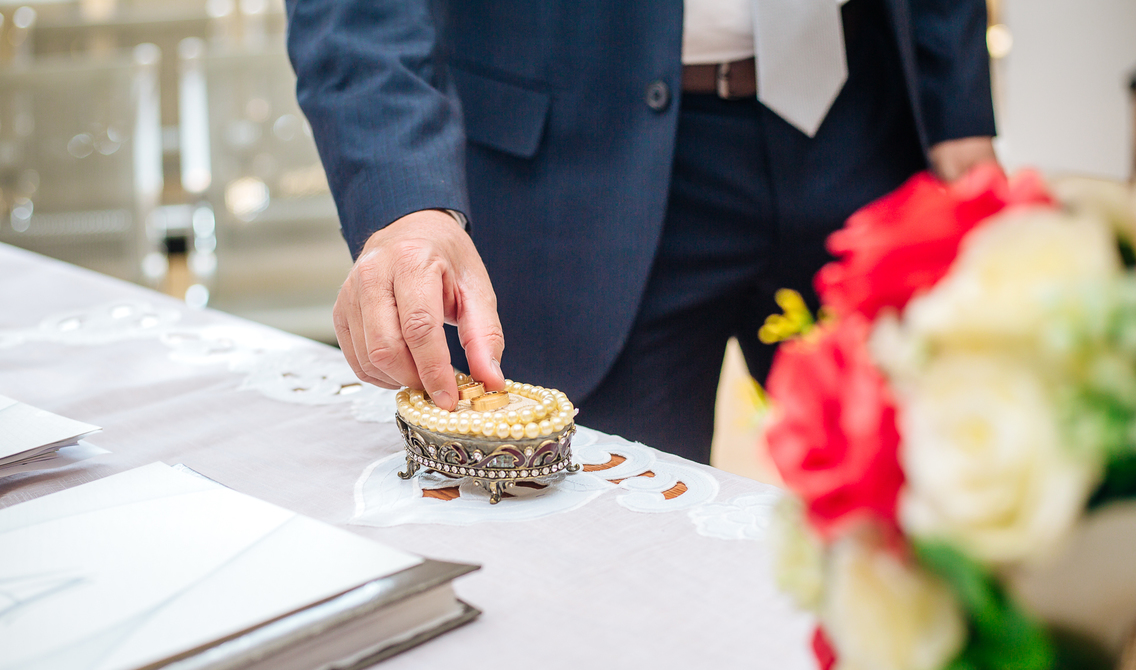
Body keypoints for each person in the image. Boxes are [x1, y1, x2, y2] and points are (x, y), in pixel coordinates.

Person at [284, 0, 998, 463]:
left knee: (941, 502)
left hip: (865, 128)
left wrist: (958, 104)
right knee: (599, 558)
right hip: (578, 169)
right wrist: (408, 201)